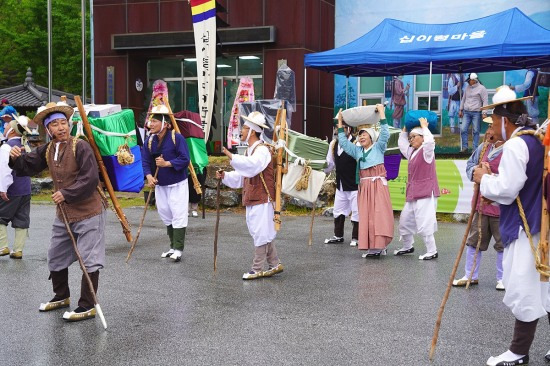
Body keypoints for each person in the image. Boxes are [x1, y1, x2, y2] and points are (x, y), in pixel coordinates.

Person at [472, 85, 549, 366]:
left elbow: (506, 189)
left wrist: (483, 179)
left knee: (524, 289)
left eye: (493, 121)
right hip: (541, 225)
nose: (492, 127)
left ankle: (518, 352)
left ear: (505, 121)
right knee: (546, 288)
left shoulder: (517, 144)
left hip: (525, 227)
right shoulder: (536, 139)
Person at [9, 101, 107, 322]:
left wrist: (67, 193)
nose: (61, 128)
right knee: (56, 255)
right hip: (64, 214)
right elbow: (27, 165)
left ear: (69, 125)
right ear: (48, 129)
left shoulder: (80, 146)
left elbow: (89, 178)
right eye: (55, 124)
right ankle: (61, 296)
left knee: (89, 259)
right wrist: (15, 157)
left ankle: (87, 305)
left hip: (89, 211)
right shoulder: (49, 148)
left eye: (64, 123)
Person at [216, 111, 283, 279]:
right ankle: (275, 264)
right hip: (254, 197)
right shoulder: (250, 152)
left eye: (244, 128)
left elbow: (251, 167)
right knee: (263, 231)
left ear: (253, 131)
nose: (241, 131)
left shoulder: (262, 151)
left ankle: (257, 268)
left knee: (261, 232)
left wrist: (232, 156)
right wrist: (226, 176)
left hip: (262, 198)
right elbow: (243, 176)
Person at [453, 121, 505, 290]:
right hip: (481, 205)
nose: (489, 131)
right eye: (488, 127)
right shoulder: (484, 147)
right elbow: (469, 166)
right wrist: (477, 170)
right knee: (474, 241)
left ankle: (503, 278)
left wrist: (491, 175)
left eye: (492, 127)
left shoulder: (511, 149)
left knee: (503, 243)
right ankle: (470, 275)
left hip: (501, 207)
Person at [337, 104, 394, 257]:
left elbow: (385, 134)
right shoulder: (357, 151)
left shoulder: (378, 147)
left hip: (377, 186)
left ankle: (380, 246)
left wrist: (382, 113)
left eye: (364, 134)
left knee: (378, 215)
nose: (361, 137)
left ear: (371, 136)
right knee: (366, 216)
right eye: (360, 135)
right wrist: (340, 123)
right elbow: (343, 142)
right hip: (364, 187)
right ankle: (372, 246)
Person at [141, 105, 191, 262]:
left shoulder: (177, 138)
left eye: (155, 121)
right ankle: (172, 246)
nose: (151, 124)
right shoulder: (150, 140)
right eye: (150, 121)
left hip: (177, 183)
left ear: (165, 123)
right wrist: (149, 176)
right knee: (165, 214)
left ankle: (178, 248)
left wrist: (167, 163)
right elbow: (145, 161)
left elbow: (185, 159)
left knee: (178, 213)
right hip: (160, 185)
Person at [395, 117, 439, 260]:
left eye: (413, 137)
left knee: (424, 221)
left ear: (422, 137)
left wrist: (424, 126)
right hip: (413, 193)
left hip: (425, 192)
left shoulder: (427, 152)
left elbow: (430, 142)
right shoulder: (412, 152)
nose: (411, 140)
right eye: (410, 137)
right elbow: (401, 144)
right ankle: (408, 246)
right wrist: (404, 131)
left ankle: (432, 250)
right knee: (404, 220)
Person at [0, 115, 33, 259]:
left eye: (7, 126)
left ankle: (3, 246)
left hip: (12, 188)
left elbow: (4, 170)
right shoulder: (26, 145)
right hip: (26, 188)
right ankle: (18, 250)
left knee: (0, 217)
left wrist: (2, 188)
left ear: (12, 131)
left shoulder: (7, 147)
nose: (5, 127)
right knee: (22, 218)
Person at [324, 123, 359, 246]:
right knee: (338, 210)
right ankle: (338, 235)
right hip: (340, 184)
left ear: (349, 129)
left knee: (356, 211)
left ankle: (356, 237)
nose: (338, 130)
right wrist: (319, 167)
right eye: (336, 128)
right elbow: (330, 164)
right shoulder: (333, 144)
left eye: (343, 128)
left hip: (355, 185)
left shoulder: (356, 143)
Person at [459, 72, 488, 152]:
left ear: (474, 80)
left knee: (476, 131)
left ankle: (475, 149)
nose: (468, 82)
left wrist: (484, 113)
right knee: (463, 129)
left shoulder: (482, 88)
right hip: (466, 112)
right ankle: (465, 147)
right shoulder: (467, 88)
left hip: (476, 112)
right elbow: (463, 99)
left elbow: (485, 101)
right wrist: (460, 109)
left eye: (469, 81)